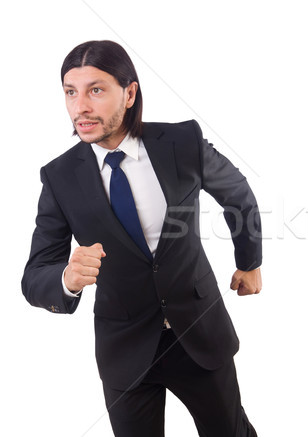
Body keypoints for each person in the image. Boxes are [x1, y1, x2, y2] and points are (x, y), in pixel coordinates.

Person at [22, 40, 262, 437]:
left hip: (199, 333)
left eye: (95, 90)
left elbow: (238, 195)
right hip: (125, 347)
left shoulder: (182, 142)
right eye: (70, 92)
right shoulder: (59, 177)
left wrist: (249, 262)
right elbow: (35, 275)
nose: (80, 106)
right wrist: (67, 279)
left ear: (129, 92)